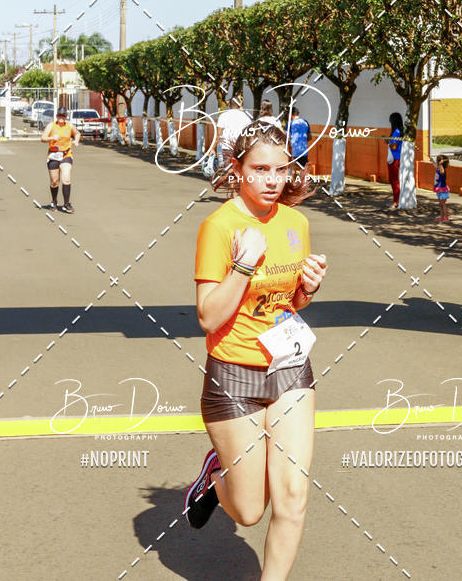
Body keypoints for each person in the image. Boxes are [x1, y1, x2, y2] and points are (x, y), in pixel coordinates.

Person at [184, 122, 327, 580]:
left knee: (293, 498)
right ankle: (213, 475)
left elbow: (289, 302)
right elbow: (208, 316)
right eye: (260, 169)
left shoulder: (296, 223)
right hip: (233, 377)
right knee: (248, 511)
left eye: (280, 170)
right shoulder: (219, 227)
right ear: (237, 170)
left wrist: (309, 288)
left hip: (289, 367)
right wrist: (244, 263)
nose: (271, 180)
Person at [40, 106, 80, 213]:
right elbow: (43, 138)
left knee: (66, 178)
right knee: (54, 181)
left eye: (63, 116)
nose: (61, 118)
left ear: (66, 117)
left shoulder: (69, 126)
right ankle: (54, 200)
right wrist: (51, 138)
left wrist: (76, 140)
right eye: (59, 116)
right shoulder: (51, 125)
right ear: (57, 116)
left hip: (66, 154)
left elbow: (77, 133)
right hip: (53, 155)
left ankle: (66, 204)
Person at [215, 94, 252, 164]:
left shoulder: (223, 116)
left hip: (227, 148)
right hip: (240, 149)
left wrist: (212, 149)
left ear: (229, 105)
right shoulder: (246, 117)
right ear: (239, 105)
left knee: (228, 169)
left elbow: (218, 135)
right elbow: (249, 135)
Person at [387, 112, 403, 208]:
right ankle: (396, 200)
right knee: (393, 179)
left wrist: (389, 143)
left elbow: (394, 146)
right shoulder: (397, 131)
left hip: (394, 158)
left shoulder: (396, 131)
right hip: (394, 157)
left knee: (394, 180)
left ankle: (396, 201)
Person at [433, 154, 450, 222]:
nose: (436, 162)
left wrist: (440, 164)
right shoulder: (438, 168)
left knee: (443, 204)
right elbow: (435, 165)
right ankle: (442, 217)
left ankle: (446, 217)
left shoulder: (442, 169)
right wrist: (432, 161)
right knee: (440, 204)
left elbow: (441, 170)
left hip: (442, 189)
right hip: (439, 189)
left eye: (437, 161)